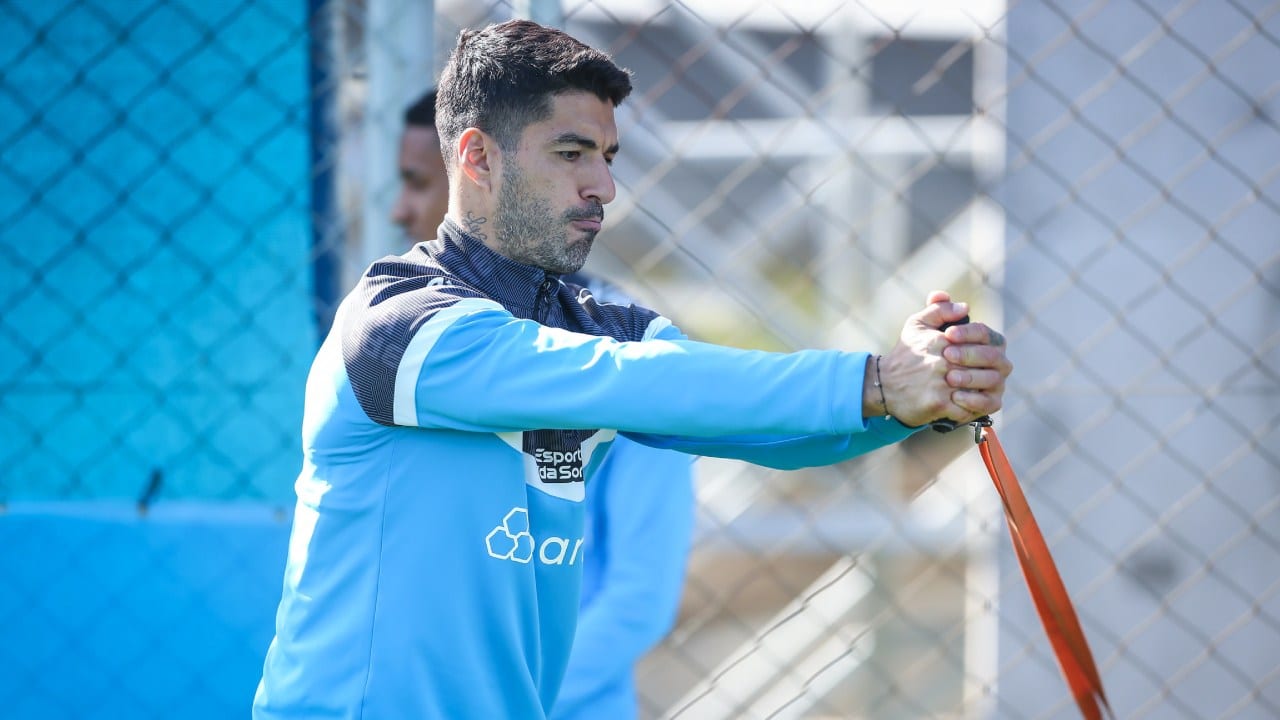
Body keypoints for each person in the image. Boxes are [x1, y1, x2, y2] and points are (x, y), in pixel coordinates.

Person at [253, 19, 1012, 720]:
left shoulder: (591, 321)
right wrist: (873, 380)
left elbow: (746, 418)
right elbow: (640, 382)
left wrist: (911, 403)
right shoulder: (401, 324)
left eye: (608, 158)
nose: (603, 188)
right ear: (478, 156)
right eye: (572, 153)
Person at [390, 89, 696, 720]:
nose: (400, 211)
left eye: (418, 184)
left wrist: (499, 702)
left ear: (478, 171)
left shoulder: (633, 353)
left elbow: (639, 597)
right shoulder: (402, 342)